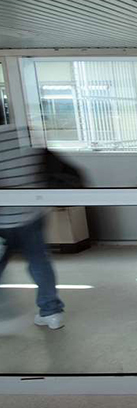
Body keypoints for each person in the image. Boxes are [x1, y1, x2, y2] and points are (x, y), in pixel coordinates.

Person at [0, 125, 65, 330]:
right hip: (32, 212)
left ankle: (6, 316)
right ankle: (51, 312)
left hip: (2, 219)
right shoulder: (23, 131)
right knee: (39, 262)